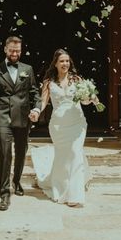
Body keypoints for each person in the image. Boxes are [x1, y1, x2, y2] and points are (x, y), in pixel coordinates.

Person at [0, 36, 41, 211]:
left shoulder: (28, 69)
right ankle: (4, 194)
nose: (15, 53)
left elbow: (35, 93)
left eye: (17, 50)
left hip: (23, 118)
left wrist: (37, 109)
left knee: (20, 152)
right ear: (5, 50)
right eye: (12, 50)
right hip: (2, 118)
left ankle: (16, 181)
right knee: (5, 154)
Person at [32, 49, 93, 207]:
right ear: (56, 63)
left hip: (77, 123)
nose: (65, 64)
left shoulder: (77, 79)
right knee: (63, 156)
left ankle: (75, 195)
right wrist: (37, 111)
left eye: (67, 61)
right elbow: (44, 101)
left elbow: (84, 101)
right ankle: (59, 184)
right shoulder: (49, 82)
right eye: (62, 61)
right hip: (58, 126)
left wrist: (91, 98)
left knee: (75, 153)